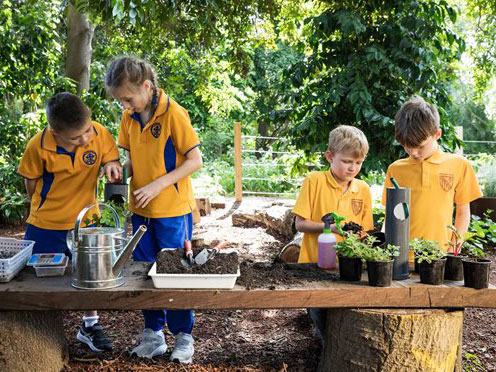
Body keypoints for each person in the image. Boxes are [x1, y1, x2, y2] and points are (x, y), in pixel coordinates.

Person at [105, 56, 202, 363]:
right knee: (143, 271)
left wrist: (158, 185)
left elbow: (195, 161)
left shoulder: (174, 114)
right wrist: (122, 172)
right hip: (141, 210)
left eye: (128, 98)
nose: (125, 105)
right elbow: (134, 158)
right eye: (120, 100)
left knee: (174, 271)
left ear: (146, 87)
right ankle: (153, 334)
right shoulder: (129, 117)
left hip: (172, 209)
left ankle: (184, 336)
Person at [18, 92, 122, 352]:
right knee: (37, 281)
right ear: (55, 132)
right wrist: (45, 207)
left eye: (87, 130)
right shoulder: (38, 146)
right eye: (76, 137)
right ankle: (36, 332)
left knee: (90, 276)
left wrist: (111, 165)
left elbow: (111, 157)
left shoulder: (99, 133)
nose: (85, 138)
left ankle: (89, 325)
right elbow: (30, 183)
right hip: (45, 224)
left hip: (86, 222)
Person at [292, 125, 373, 341]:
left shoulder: (363, 189)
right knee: (321, 320)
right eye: (347, 161)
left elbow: (365, 233)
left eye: (358, 162)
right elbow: (300, 224)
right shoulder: (314, 181)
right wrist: (330, 228)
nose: (352, 168)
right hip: (313, 267)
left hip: (349, 270)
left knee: (346, 322)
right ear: (330, 156)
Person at [382, 95, 482, 259]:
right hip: (401, 259)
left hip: (440, 258)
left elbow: (463, 212)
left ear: (437, 134)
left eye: (420, 146)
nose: (413, 153)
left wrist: (453, 251)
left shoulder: (459, 165)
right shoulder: (395, 169)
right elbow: (390, 216)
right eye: (407, 146)